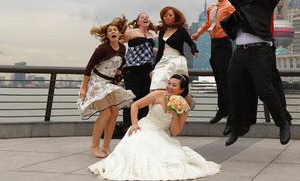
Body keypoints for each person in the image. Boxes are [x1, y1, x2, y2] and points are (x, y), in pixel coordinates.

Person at [217, 0, 292, 146]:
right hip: (240, 53)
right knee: (235, 88)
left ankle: (282, 124)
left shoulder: (267, 1)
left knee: (264, 89)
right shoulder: (240, 2)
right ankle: (236, 127)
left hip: (261, 52)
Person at [89, 74, 220, 180]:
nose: (169, 87)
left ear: (181, 90)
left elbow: (174, 132)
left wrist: (175, 113)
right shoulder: (158, 94)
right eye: (169, 83)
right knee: (137, 141)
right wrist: (134, 124)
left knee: (164, 155)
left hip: (162, 132)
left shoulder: (183, 107)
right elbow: (135, 106)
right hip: (145, 125)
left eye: (174, 85)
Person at [77, 16, 135, 158]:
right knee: (106, 113)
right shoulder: (102, 48)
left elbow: (120, 68)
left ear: (119, 33)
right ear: (107, 35)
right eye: (110, 31)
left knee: (114, 113)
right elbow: (89, 68)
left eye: (115, 30)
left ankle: (106, 146)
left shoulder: (122, 48)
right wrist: (84, 88)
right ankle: (94, 145)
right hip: (97, 83)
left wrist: (117, 81)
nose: (113, 32)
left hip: (109, 84)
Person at [191, 0, 235, 135]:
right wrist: (198, 33)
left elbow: (239, 21)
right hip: (214, 44)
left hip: (225, 44)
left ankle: (231, 118)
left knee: (226, 81)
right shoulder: (212, 6)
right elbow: (208, 23)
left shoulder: (230, 7)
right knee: (218, 80)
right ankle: (221, 110)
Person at [121, 12, 157, 134]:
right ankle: (128, 126)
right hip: (132, 68)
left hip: (147, 70)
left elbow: (149, 49)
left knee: (144, 99)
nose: (145, 18)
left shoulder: (151, 34)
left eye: (147, 16)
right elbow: (119, 41)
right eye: (142, 17)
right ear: (138, 22)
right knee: (132, 97)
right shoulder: (131, 32)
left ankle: (141, 126)